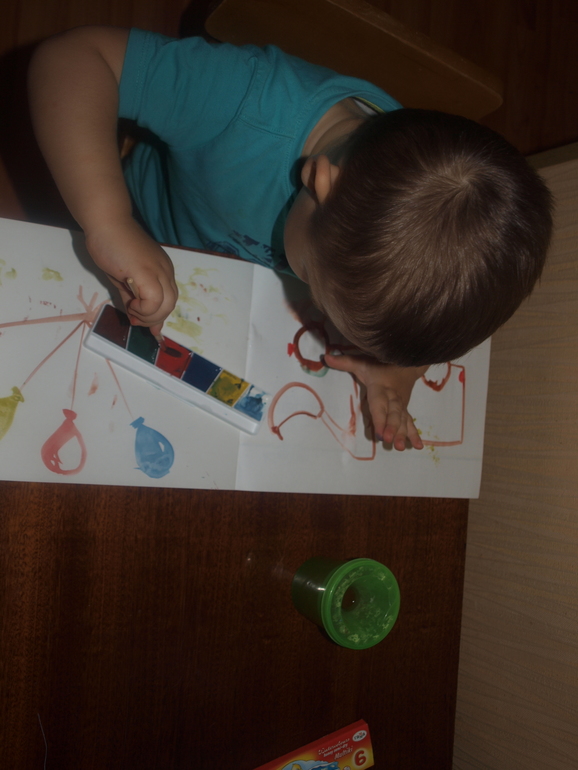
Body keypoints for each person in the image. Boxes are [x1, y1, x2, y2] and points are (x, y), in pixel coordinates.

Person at [27, 26, 553, 451]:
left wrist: (398, 369)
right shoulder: (244, 102)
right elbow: (70, 60)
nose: (313, 309)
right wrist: (110, 220)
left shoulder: (405, 198)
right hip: (142, 214)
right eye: (314, 285)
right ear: (318, 182)